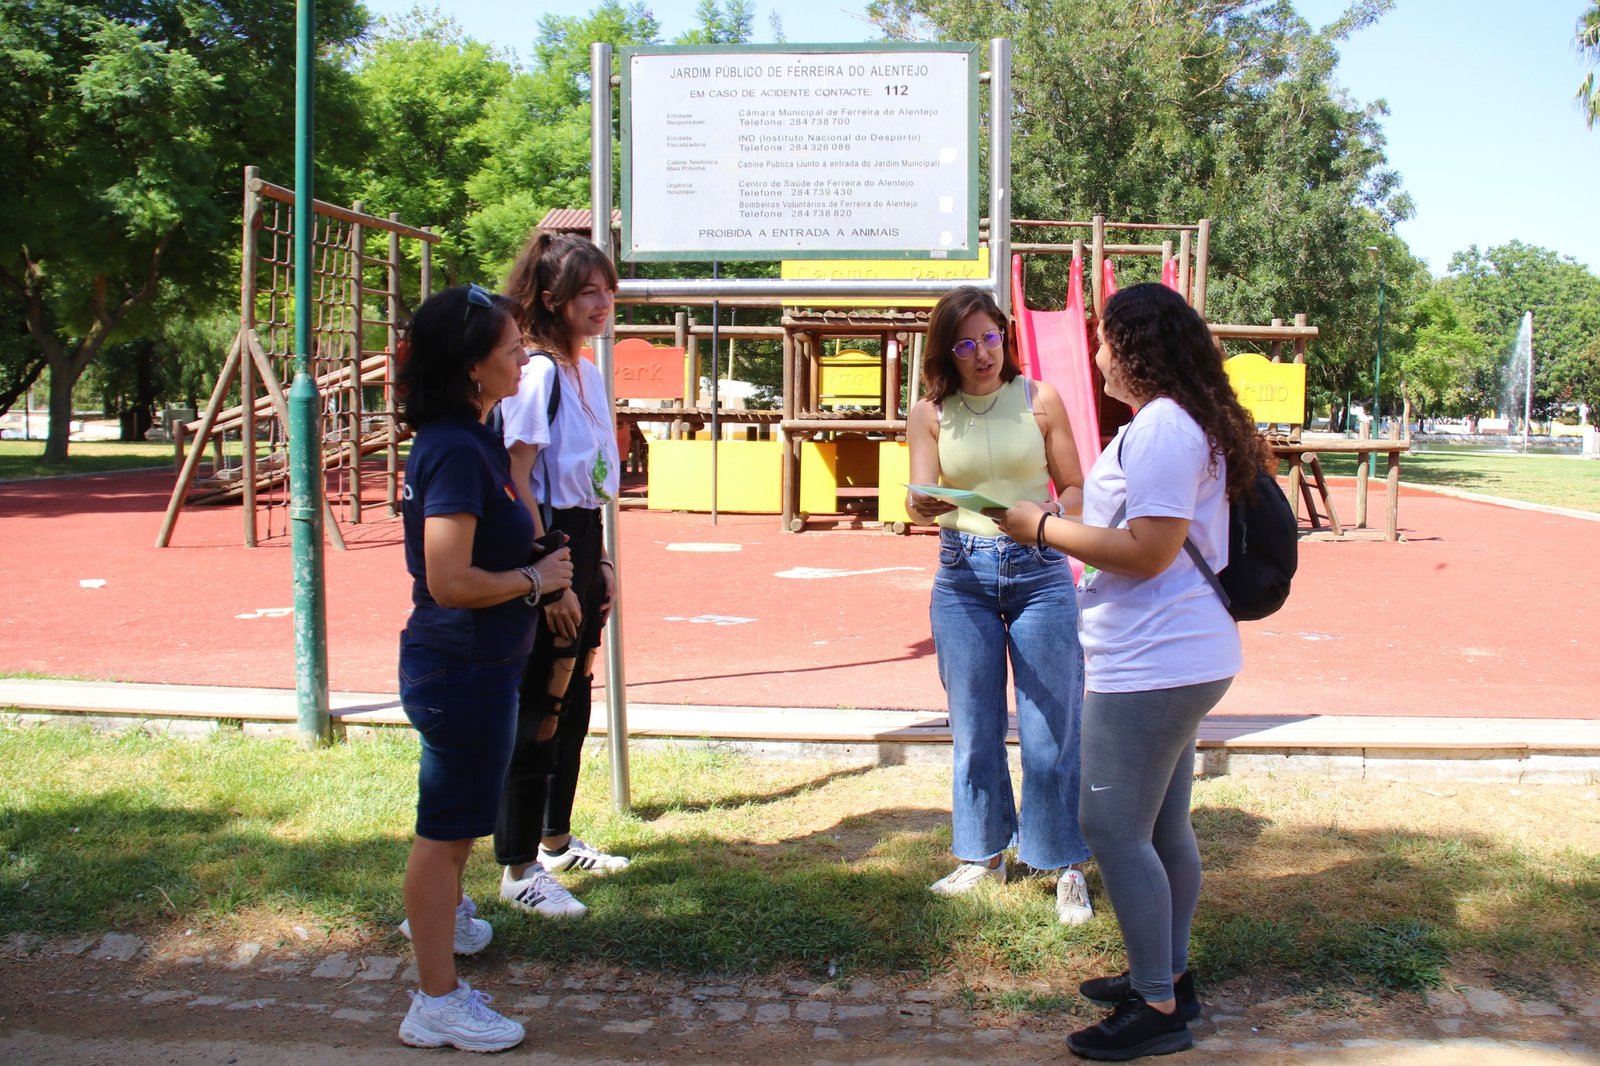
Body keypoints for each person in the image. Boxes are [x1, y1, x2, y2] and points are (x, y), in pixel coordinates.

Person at [991, 282, 1271, 1061]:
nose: (1097, 352)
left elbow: (1148, 554)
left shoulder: (1162, 432)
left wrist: (1042, 529)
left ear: (1137, 349)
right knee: (1160, 824)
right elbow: (1143, 538)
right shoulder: (1175, 424)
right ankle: (1168, 977)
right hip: (1175, 653)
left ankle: (1157, 1007)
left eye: (1107, 339)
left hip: (1154, 661)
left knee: (1113, 826)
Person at [394, 284, 574, 1052]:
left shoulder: (470, 440)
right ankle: (436, 1001)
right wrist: (539, 582)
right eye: (511, 349)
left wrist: (537, 564)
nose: (524, 356)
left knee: (458, 829)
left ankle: (449, 924)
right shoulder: (455, 450)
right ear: (474, 369)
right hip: (459, 668)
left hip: (477, 666)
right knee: (444, 836)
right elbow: (449, 580)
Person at [903, 284, 1094, 924]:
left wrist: (1049, 513)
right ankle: (983, 852)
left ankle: (1062, 861)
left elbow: (1073, 486)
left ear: (1006, 335)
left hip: (1039, 568)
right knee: (974, 723)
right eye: (965, 344)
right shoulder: (930, 411)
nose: (982, 353)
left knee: (1051, 724)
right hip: (962, 572)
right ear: (947, 353)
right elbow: (917, 493)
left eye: (990, 337)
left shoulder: (1040, 399)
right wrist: (921, 502)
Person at [493, 231, 627, 918]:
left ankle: (555, 840)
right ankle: (517, 867)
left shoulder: (587, 370)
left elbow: (593, 479)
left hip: (583, 536)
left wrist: (597, 559)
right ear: (551, 300)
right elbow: (517, 478)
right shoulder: (538, 372)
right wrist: (551, 575)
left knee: (573, 699)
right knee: (539, 706)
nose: (603, 302)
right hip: (546, 543)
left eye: (608, 289)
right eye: (588, 292)